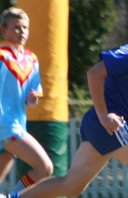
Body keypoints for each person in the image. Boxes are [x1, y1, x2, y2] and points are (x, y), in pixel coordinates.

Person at [9, 5, 128, 198]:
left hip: (109, 127)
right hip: (111, 125)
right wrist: (104, 115)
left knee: (70, 186)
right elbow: (94, 73)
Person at [0, 7, 53, 192]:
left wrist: (32, 98)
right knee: (45, 167)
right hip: (6, 125)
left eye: (25, 27)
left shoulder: (32, 59)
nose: (22, 32)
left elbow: (33, 95)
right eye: (16, 27)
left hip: (18, 123)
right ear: (3, 30)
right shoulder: (1, 55)